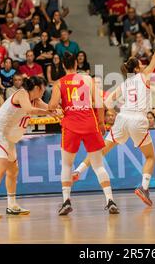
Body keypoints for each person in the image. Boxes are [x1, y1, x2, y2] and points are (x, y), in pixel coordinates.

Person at [73, 23, 155, 207]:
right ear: (136, 69)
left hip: (123, 117)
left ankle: (78, 170)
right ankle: (144, 187)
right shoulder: (144, 76)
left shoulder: (124, 84)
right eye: (141, 64)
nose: (143, 65)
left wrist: (116, 114)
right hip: (138, 119)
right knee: (150, 157)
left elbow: (107, 102)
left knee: (100, 151)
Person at [49, 52, 119, 215]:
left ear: (63, 66)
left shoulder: (59, 83)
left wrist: (57, 107)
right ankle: (110, 200)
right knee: (98, 165)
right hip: (89, 123)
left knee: (67, 165)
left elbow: (52, 106)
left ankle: (66, 200)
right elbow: (100, 103)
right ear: (76, 64)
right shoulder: (88, 79)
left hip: (70, 125)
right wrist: (101, 122)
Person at [0, 76, 57, 218]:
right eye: (43, 88)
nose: (44, 91)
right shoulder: (22, 94)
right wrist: (48, 112)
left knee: (13, 170)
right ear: (37, 88)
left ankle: (12, 205)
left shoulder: (36, 99)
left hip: (8, 137)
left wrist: (58, 111)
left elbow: (48, 107)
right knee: (0, 168)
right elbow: (30, 110)